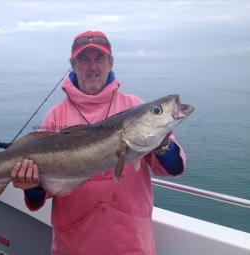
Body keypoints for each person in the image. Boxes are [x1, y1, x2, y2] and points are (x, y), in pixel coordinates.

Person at [10, 31, 186, 255]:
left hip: (131, 243)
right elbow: (41, 194)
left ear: (111, 63)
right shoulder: (55, 116)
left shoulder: (136, 107)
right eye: (84, 59)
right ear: (73, 65)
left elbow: (174, 167)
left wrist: (162, 143)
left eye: (99, 58)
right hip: (74, 245)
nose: (92, 67)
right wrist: (33, 184)